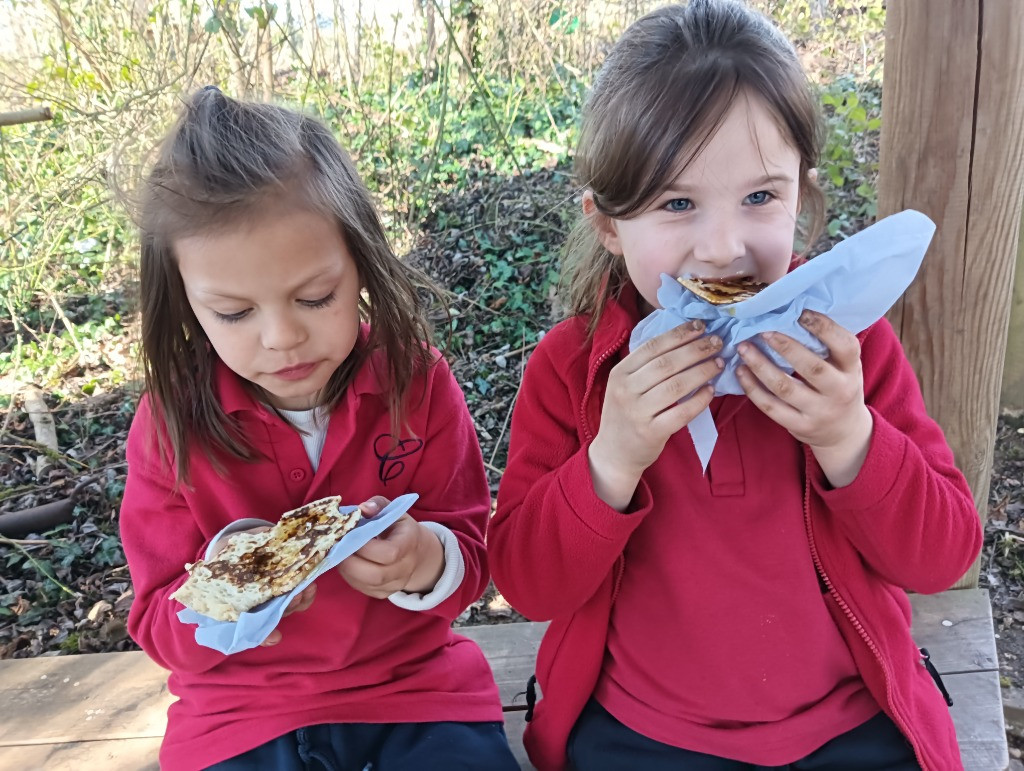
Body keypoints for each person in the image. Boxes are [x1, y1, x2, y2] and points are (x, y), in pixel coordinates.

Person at [489, 2, 982, 770]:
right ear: (609, 223)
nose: (723, 247)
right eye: (677, 204)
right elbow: (527, 582)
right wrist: (610, 460)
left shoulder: (845, 346)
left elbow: (942, 557)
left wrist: (850, 438)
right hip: (639, 732)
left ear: (801, 195)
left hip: (849, 725)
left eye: (760, 197)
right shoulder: (573, 369)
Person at [119, 88, 519, 771]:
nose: (282, 337)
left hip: (413, 693)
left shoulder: (416, 384)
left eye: (315, 297)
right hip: (238, 714)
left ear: (360, 261)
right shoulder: (169, 426)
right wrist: (226, 590)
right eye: (233, 313)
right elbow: (160, 625)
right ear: (184, 304)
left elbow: (474, 562)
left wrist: (424, 557)